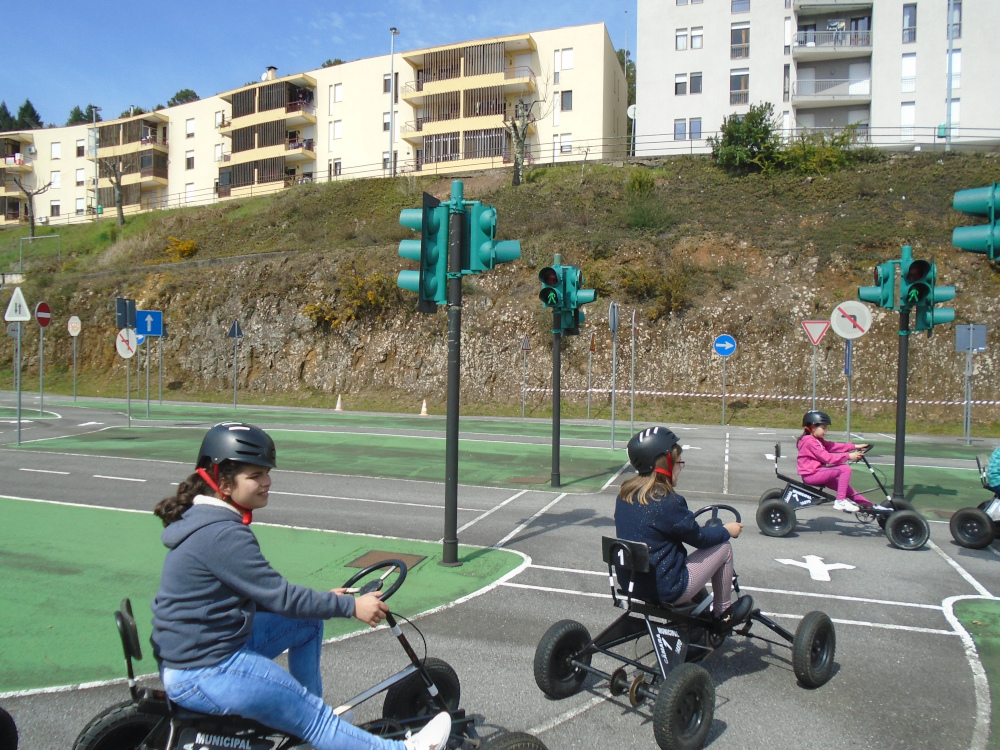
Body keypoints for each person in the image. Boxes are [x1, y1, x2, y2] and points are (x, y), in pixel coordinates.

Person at [150, 421, 450, 750]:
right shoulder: (223, 534)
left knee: (307, 623)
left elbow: (255, 594)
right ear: (222, 480)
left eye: (266, 472)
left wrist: (325, 601)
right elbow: (280, 597)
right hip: (206, 669)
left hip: (199, 653)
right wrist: (351, 606)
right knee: (316, 717)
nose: (267, 482)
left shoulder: (203, 519)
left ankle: (304, 729)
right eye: (255, 475)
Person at [614, 426, 753, 630]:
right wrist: (726, 530)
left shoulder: (625, 496)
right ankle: (723, 612)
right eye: (678, 462)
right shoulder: (668, 501)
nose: (681, 467)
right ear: (665, 464)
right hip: (668, 588)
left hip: (632, 584)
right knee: (724, 548)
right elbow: (700, 539)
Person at [796, 410, 872, 512]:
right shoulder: (810, 441)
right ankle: (840, 501)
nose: (825, 431)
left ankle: (869, 506)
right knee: (844, 469)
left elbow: (833, 446)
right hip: (812, 475)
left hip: (818, 472)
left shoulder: (816, 440)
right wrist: (849, 456)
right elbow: (827, 458)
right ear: (813, 427)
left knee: (845, 488)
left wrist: (855, 446)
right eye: (823, 428)